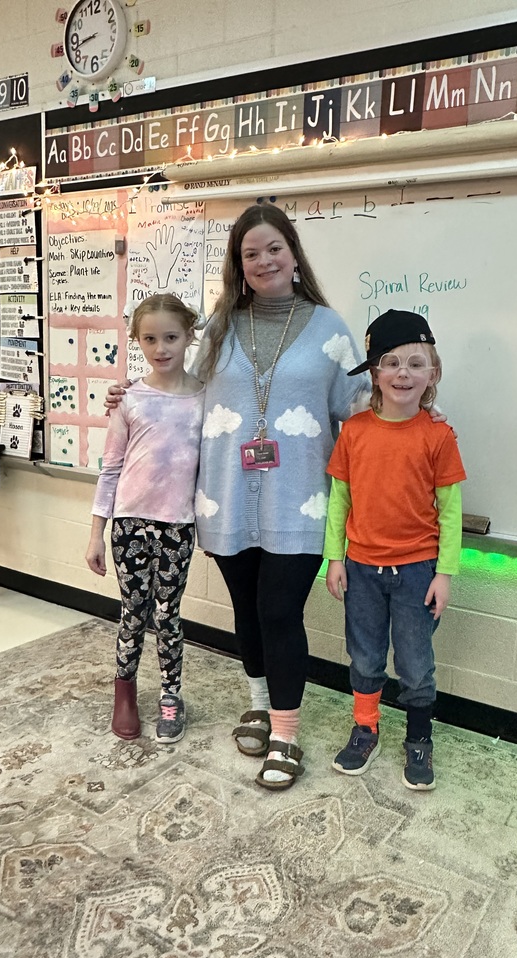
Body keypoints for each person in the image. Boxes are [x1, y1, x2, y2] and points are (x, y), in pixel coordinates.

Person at [107, 204, 368, 788]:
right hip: (223, 497)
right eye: (250, 253)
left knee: (279, 610)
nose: (263, 261)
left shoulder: (329, 329)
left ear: (293, 253)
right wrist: (128, 400)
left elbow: (359, 412)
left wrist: (420, 416)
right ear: (238, 264)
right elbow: (180, 394)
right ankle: (258, 701)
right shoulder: (218, 328)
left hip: (299, 501)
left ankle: (286, 734)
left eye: (273, 248)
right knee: (247, 611)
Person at [323, 309, 466, 791]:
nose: (403, 372)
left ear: (433, 374)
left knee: (414, 664)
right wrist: (335, 557)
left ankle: (419, 739)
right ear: (375, 374)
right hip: (361, 568)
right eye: (390, 362)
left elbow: (450, 511)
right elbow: (339, 500)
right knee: (364, 658)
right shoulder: (356, 431)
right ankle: (366, 728)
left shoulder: (439, 436)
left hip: (417, 572)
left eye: (415, 363)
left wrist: (444, 573)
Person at [86, 293, 204, 745]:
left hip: (178, 525)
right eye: (150, 338)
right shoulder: (129, 399)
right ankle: (125, 691)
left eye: (171, 337)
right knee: (133, 612)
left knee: (168, 613)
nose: (162, 348)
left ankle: (171, 695)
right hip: (130, 524)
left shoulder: (204, 398)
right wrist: (96, 534)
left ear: (189, 336)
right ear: (136, 340)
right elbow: (110, 468)